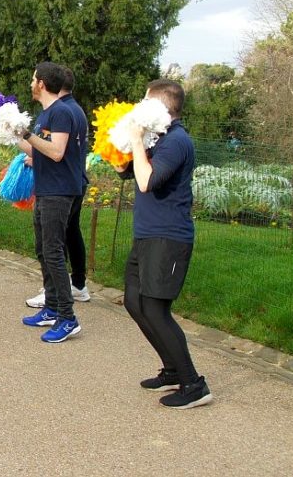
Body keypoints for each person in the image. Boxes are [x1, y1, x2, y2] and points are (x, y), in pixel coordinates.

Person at [117, 79, 212, 409]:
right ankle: (172, 369)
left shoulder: (177, 141)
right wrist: (123, 150)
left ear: (159, 107)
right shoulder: (159, 139)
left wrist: (135, 139)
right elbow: (130, 171)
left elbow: (146, 181)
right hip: (147, 234)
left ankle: (193, 383)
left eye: (145, 101)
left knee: (156, 310)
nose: (139, 105)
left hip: (169, 238)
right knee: (134, 301)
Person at [16, 62, 86, 343]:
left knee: (54, 251)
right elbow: (38, 149)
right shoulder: (48, 113)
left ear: (42, 83)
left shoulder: (60, 111)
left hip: (59, 190)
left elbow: (56, 152)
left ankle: (68, 318)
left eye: (33, 79)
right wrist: (13, 134)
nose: (31, 83)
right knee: (43, 249)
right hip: (46, 188)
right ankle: (52, 307)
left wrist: (26, 134)